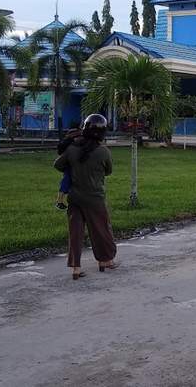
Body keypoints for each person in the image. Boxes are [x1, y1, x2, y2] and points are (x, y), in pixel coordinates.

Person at [54, 113, 118, 280]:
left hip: (75, 198)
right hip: (95, 198)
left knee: (75, 233)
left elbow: (58, 165)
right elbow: (109, 171)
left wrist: (73, 165)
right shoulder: (103, 151)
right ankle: (106, 261)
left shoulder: (72, 149)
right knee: (101, 230)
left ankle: (76, 267)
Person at [54, 121, 83, 210]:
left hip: (69, 162)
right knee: (67, 182)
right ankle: (60, 201)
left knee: (67, 181)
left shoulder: (71, 134)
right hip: (72, 163)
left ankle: (61, 201)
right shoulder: (77, 134)